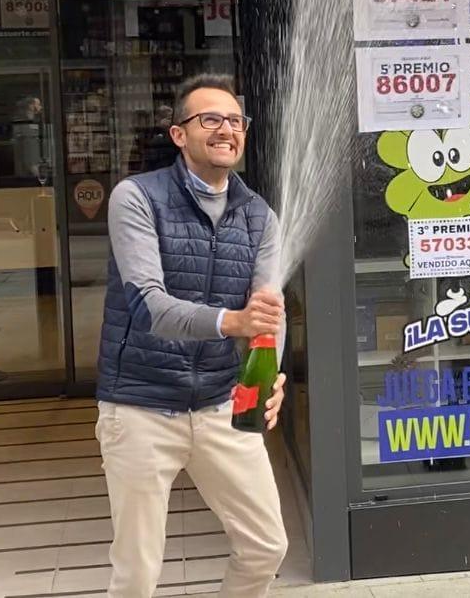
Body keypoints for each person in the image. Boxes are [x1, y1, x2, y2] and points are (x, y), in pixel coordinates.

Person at [96, 73, 289, 597]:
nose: (225, 129)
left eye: (234, 120)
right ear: (179, 134)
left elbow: (269, 312)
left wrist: (271, 374)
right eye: (210, 119)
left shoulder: (259, 216)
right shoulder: (135, 198)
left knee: (266, 546)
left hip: (220, 405)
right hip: (139, 407)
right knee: (137, 571)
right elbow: (148, 306)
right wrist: (232, 322)